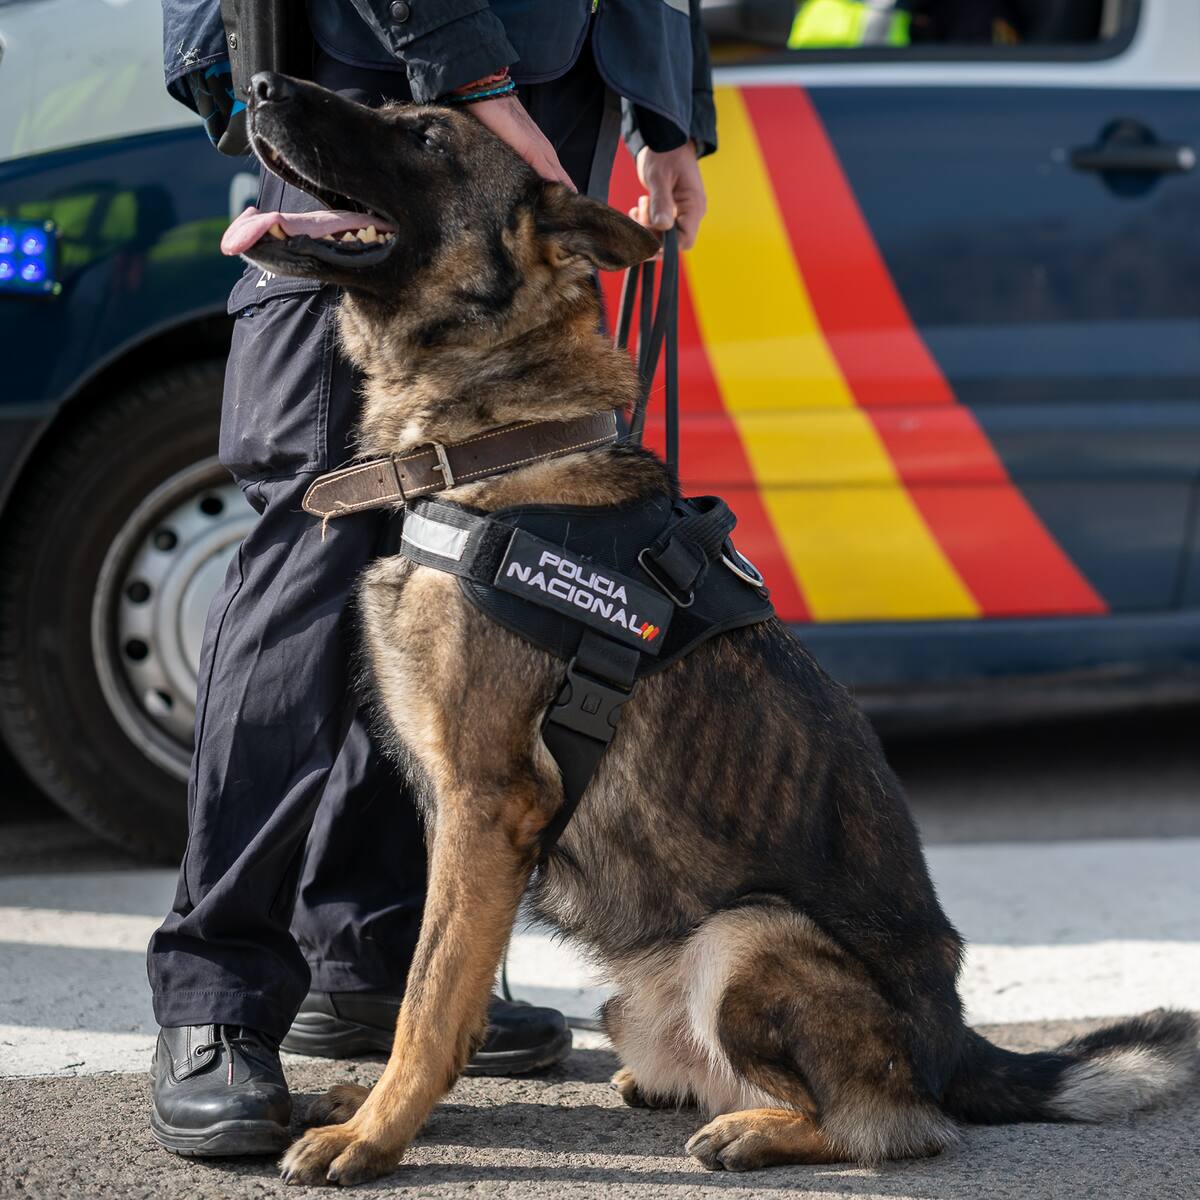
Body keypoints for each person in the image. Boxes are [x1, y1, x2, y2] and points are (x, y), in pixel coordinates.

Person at [147, 0, 716, 1157]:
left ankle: (367, 950)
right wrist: (473, 89)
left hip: (548, 90)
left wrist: (668, 112)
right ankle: (219, 998)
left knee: (458, 574)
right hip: (396, 75)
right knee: (314, 549)